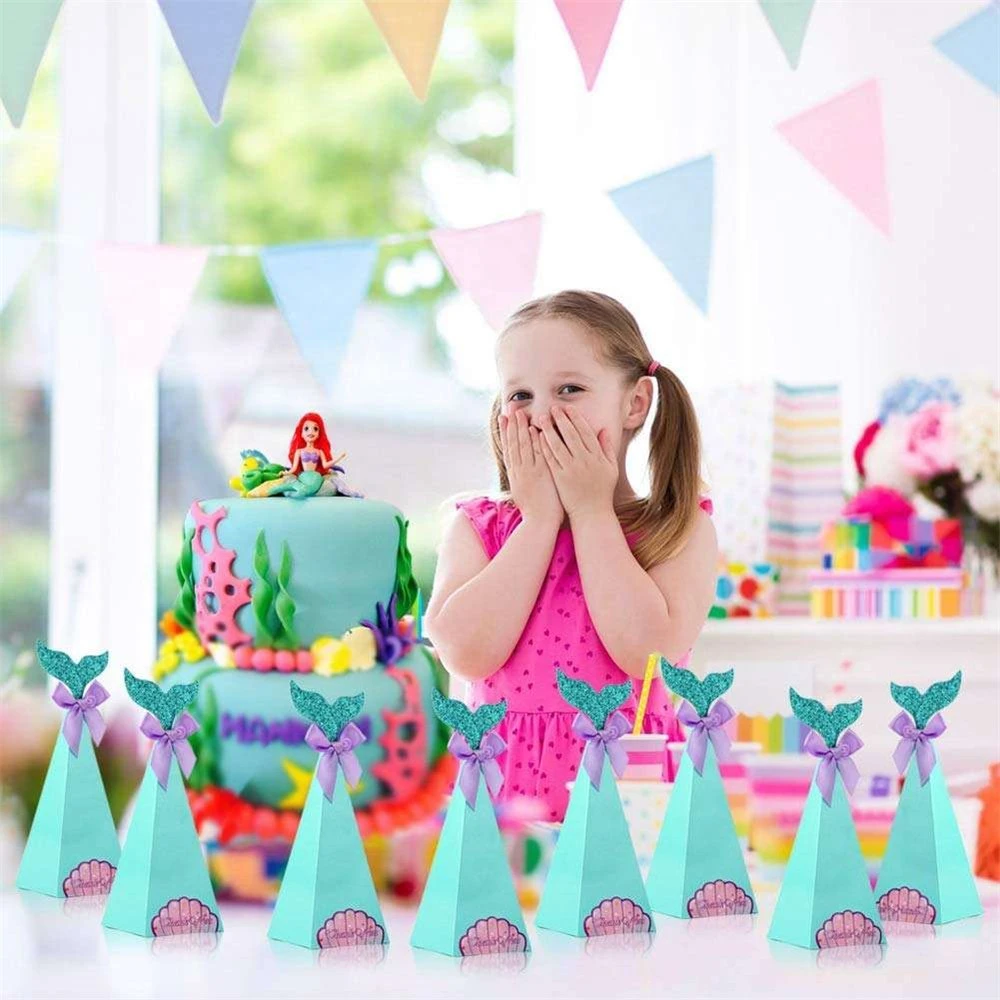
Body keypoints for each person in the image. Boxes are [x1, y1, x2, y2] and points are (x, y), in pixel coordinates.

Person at [425, 290, 717, 821]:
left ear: (635, 404)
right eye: (519, 396)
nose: (541, 415)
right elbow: (465, 653)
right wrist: (538, 522)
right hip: (504, 793)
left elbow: (648, 654)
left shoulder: (678, 525)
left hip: (632, 796)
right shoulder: (477, 526)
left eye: (570, 389)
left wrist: (590, 513)